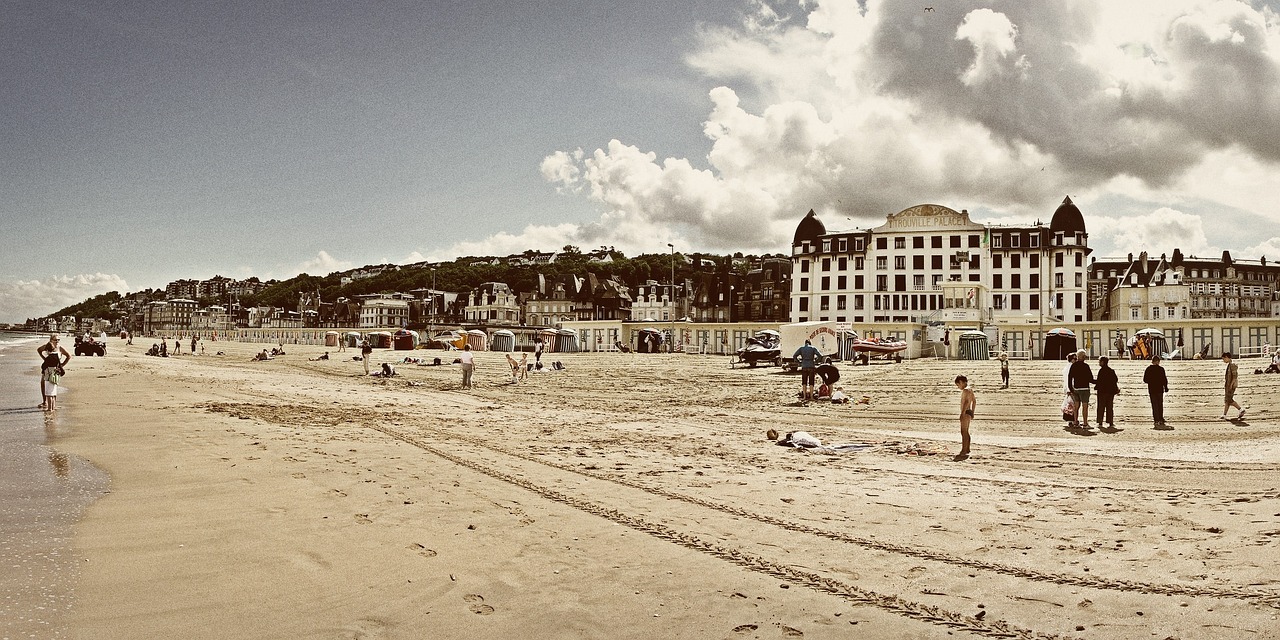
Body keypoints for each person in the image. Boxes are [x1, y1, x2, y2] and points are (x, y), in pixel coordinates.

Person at [37, 334, 71, 410]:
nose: (57, 341)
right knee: (43, 384)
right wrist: (44, 359)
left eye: (58, 340)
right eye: (55, 340)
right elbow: (39, 350)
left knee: (53, 386)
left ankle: (52, 405)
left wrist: (61, 365)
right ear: (51, 340)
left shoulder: (60, 348)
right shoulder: (47, 346)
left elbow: (68, 356)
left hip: (55, 370)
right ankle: (44, 401)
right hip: (47, 369)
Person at [1068, 350, 1095, 429]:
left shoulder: (1073, 366)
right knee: (1085, 406)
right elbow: (1091, 379)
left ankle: (1075, 422)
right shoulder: (1086, 366)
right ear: (1083, 357)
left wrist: (1071, 388)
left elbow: (1070, 377)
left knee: (1076, 406)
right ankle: (1085, 423)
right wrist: (1099, 381)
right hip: (1085, 389)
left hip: (1076, 389)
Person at [1143, 355, 1170, 428]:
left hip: (1152, 389)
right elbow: (1164, 379)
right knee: (1160, 404)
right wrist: (1166, 387)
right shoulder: (1161, 369)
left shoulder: (1148, 369)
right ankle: (1161, 418)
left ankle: (1156, 419)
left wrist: (1151, 381)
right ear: (1157, 361)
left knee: (1154, 405)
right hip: (1159, 389)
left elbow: (1145, 380)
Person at [1094, 356, 1119, 429]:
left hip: (1102, 392)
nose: (1099, 363)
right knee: (1109, 407)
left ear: (1102, 362)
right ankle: (1110, 422)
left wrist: (1092, 382)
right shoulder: (1111, 370)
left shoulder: (1101, 371)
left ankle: (1100, 422)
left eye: (1099, 361)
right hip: (1110, 392)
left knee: (1101, 407)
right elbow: (1115, 380)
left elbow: (1099, 381)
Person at [954, 375, 975, 461]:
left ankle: (964, 450)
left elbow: (966, 402)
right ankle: (968, 448)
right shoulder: (970, 390)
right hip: (969, 412)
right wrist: (972, 412)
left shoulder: (966, 390)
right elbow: (974, 401)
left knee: (964, 432)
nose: (958, 387)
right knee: (966, 431)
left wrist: (962, 413)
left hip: (965, 413)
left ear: (962, 382)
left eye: (958, 385)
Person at [1221, 352, 1245, 420]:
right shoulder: (1230, 365)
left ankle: (1240, 409)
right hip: (1228, 385)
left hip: (1231, 385)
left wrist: (1231, 385)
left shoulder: (1232, 365)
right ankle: (1224, 415)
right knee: (1227, 400)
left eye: (1223, 359)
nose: (1223, 361)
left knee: (1229, 399)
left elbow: (1234, 377)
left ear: (1226, 357)